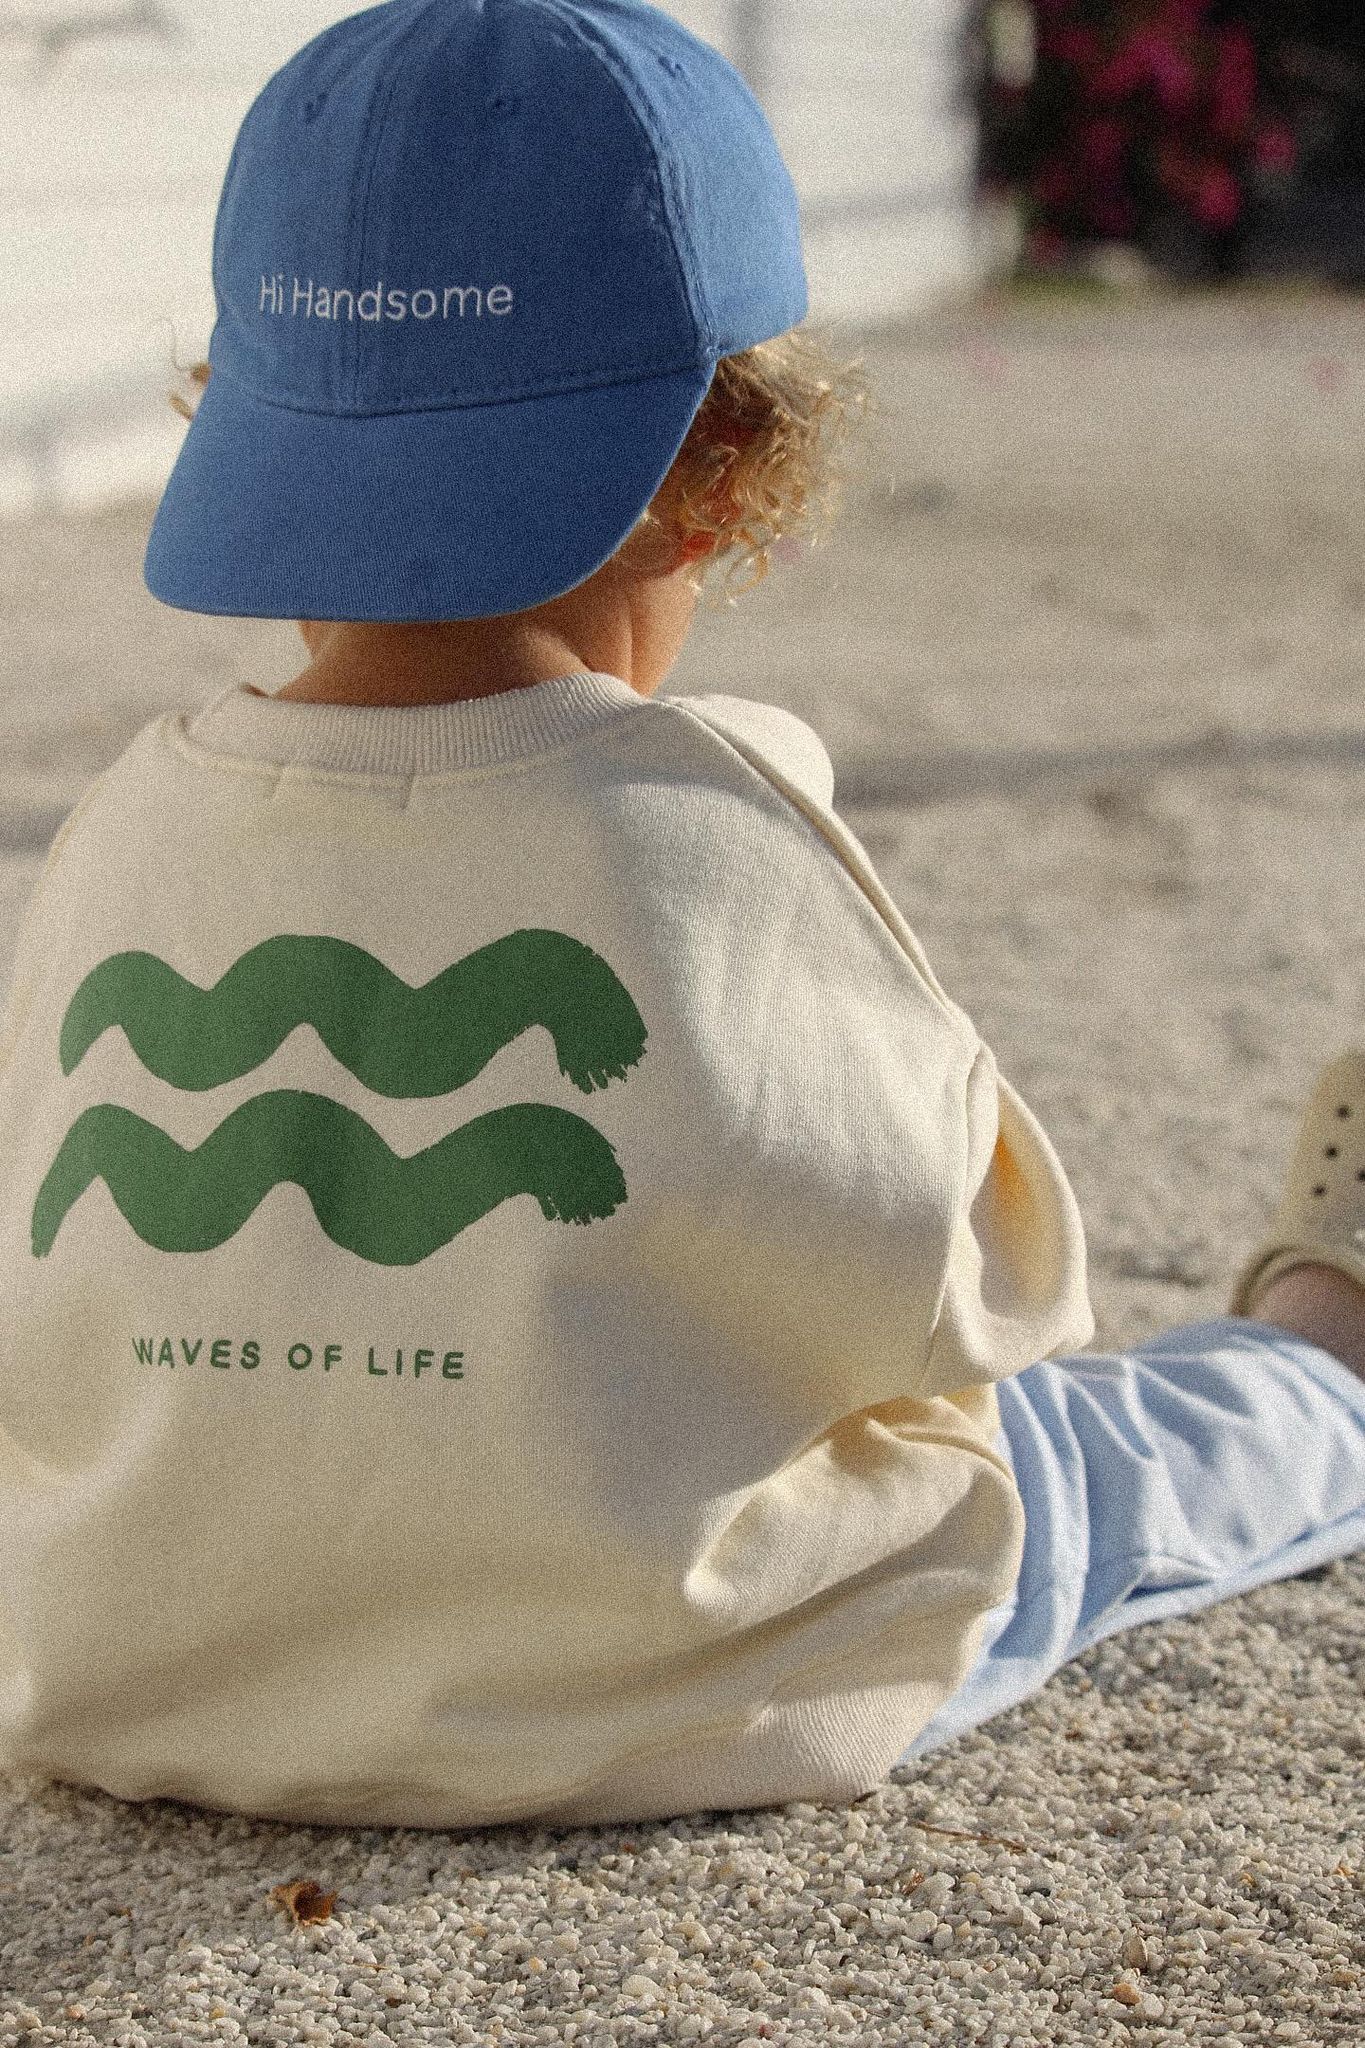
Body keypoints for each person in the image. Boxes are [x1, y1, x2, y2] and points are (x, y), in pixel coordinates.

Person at [0, 0, 1361, 1832]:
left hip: (139, 1657)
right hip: (646, 1678)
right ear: (731, 473)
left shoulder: (122, 823)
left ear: (243, 418)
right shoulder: (704, 813)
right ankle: (1320, 1347)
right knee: (1094, 1452)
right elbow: (989, 1283)